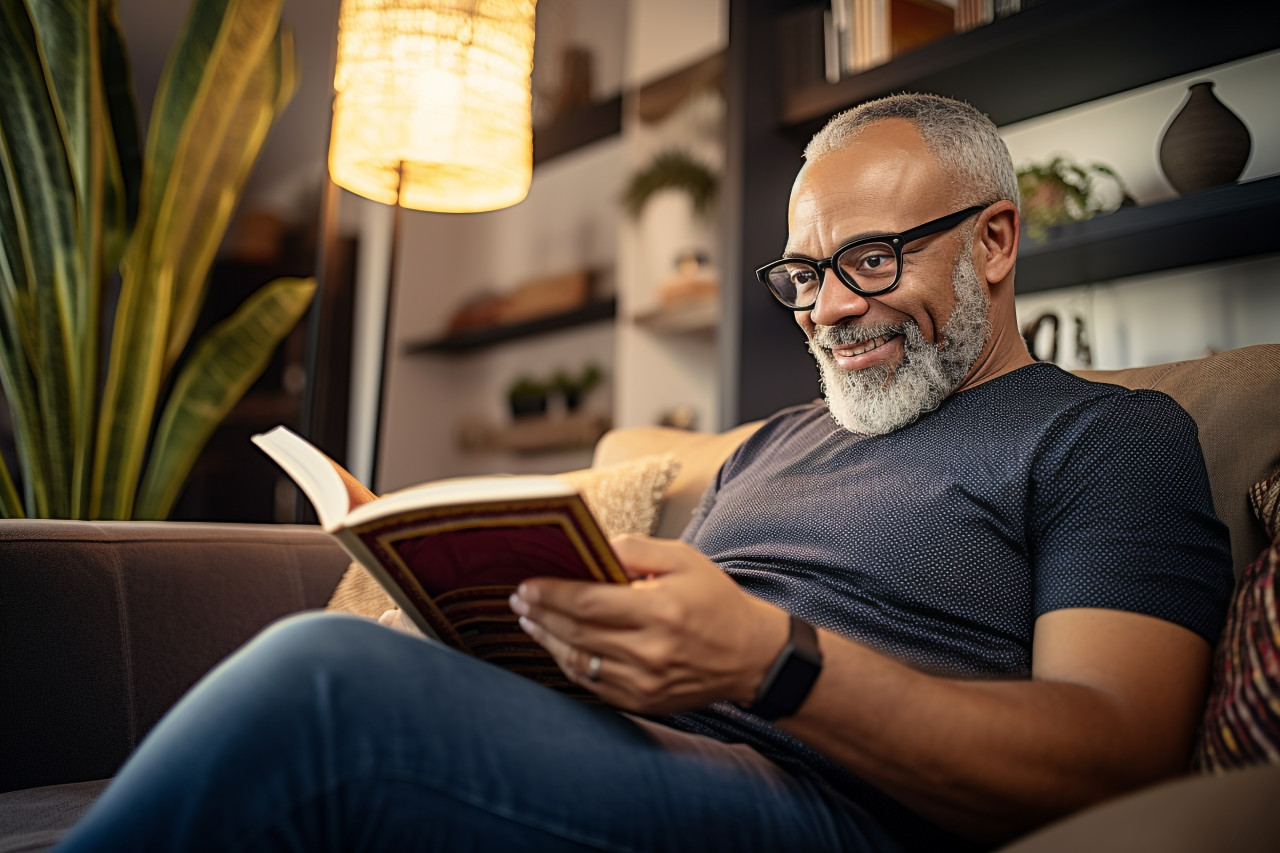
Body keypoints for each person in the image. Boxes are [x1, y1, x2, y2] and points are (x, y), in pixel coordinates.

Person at [55, 94, 1233, 853]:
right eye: (804, 274)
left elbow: (1110, 752)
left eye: (869, 260)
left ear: (992, 239)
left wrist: (775, 664)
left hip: (823, 800)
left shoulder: (1105, 437)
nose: (827, 309)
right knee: (360, 661)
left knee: (323, 682)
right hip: (643, 745)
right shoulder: (771, 442)